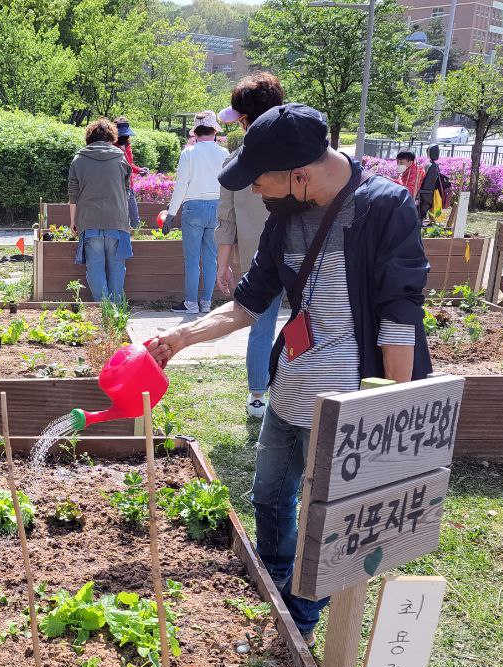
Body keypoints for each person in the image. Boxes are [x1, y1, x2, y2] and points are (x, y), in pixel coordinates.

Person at [147, 104, 431, 636]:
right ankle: (275, 581)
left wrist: (393, 409)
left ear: (300, 174)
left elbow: (400, 315)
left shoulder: (383, 208)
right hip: (293, 384)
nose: (255, 190)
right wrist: (181, 338)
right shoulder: (284, 215)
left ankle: (302, 611)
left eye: (261, 180)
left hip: (348, 398)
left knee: (328, 519)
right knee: (271, 496)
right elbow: (249, 301)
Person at [216, 72, 285, 418]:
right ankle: (300, 392)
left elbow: (226, 219)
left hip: (259, 261)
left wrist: (222, 263)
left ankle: (259, 395)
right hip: (305, 257)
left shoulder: (234, 162)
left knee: (261, 325)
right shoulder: (299, 154)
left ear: (245, 120)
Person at [164, 110, 226, 316]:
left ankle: (191, 303)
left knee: (192, 260)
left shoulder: (188, 153)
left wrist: (171, 213)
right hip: (216, 207)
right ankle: (206, 303)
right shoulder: (224, 153)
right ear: (215, 131)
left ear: (196, 132)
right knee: (210, 258)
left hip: (193, 208)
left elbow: (181, 185)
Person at [68, 117, 134, 304]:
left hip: (89, 221)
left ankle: (105, 310)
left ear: (89, 137)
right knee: (116, 267)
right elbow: (126, 191)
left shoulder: (79, 159)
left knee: (95, 267)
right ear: (111, 136)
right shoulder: (120, 157)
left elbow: (73, 193)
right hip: (117, 221)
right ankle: (117, 311)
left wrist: (73, 221)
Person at [114, 117, 145, 229]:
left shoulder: (127, 145)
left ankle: (137, 238)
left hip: (128, 185)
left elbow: (129, 164)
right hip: (116, 186)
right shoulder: (111, 147)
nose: (124, 137)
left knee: (134, 218)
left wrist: (139, 170)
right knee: (120, 218)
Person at [417, 144, 444, 220]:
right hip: (424, 193)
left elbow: (428, 185)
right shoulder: (431, 165)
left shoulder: (431, 166)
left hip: (425, 194)